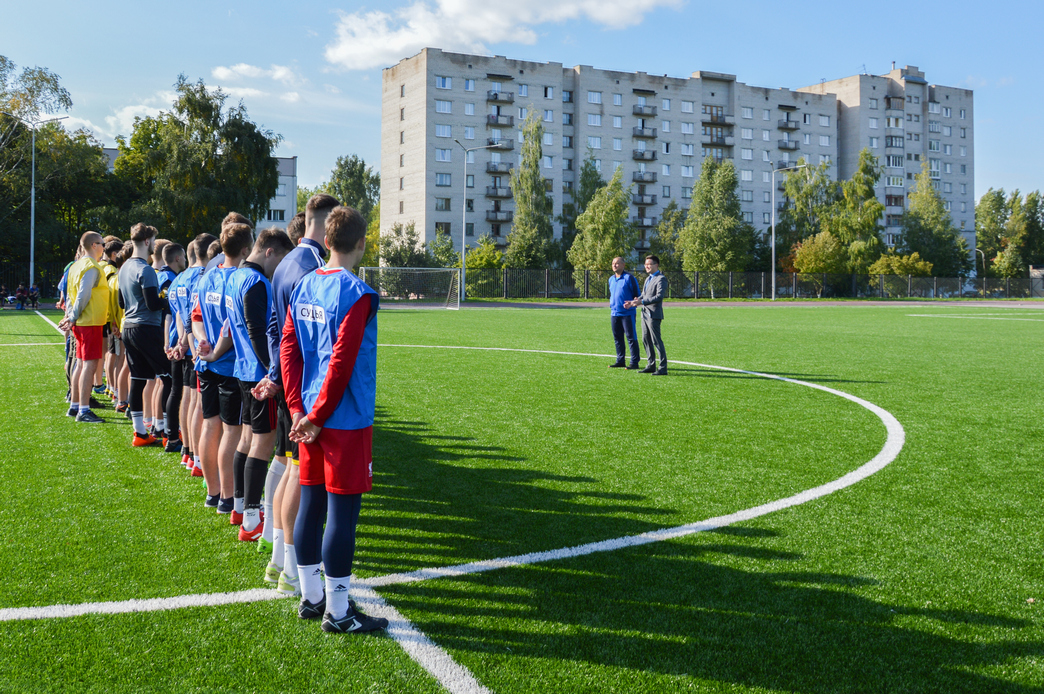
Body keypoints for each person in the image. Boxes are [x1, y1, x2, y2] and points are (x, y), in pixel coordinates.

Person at [281, 204, 387, 633]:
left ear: (326, 241)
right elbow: (341, 362)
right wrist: (317, 415)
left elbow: (288, 347)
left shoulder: (304, 285)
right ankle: (339, 612)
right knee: (342, 514)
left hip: (307, 416)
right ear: (361, 243)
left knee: (311, 504)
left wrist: (297, 409)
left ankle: (311, 597)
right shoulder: (357, 292)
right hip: (343, 419)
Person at [254, 194, 337, 594]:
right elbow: (309, 337)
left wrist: (276, 374)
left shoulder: (286, 263)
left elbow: (276, 329)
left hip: (290, 383)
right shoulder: (312, 268)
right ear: (326, 222)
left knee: (289, 467)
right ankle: (290, 567)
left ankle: (279, 560)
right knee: (300, 473)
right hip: (304, 389)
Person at [211, 228, 294, 541]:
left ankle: (238, 508)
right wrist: (273, 371)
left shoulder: (234, 276)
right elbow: (256, 331)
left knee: (246, 439)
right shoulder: (257, 281)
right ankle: (249, 520)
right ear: (269, 251)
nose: (280, 269)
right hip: (258, 373)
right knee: (262, 442)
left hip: (242, 369)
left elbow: (233, 328)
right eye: (281, 260)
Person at [192, 221, 254, 515]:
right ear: (246, 249)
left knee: (209, 425)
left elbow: (195, 318)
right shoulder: (239, 279)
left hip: (206, 364)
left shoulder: (207, 277)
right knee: (231, 432)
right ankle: (228, 498)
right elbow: (231, 328)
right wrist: (215, 351)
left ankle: (212, 492)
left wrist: (203, 342)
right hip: (228, 366)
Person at [118, 223, 172, 446]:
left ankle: (140, 432)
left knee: (138, 379)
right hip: (146, 328)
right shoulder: (146, 269)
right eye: (154, 241)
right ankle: (168, 430)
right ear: (148, 241)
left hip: (129, 327)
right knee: (169, 377)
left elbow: (121, 302)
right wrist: (168, 299)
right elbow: (152, 304)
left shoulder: (124, 268)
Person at [58, 232, 111, 423]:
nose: (104, 247)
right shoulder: (91, 266)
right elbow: (83, 294)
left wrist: (71, 316)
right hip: (90, 321)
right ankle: (83, 409)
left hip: (83, 321)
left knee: (80, 363)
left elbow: (71, 295)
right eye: (102, 243)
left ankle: (75, 405)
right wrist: (72, 316)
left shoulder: (76, 265)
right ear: (94, 245)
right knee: (89, 364)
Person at [625, 254, 668, 375]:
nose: (647, 266)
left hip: (654, 314)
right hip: (644, 314)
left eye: (649, 264)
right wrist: (633, 302)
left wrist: (642, 302)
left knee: (656, 341)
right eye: (646, 264)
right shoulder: (648, 278)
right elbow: (644, 295)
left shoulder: (661, 279)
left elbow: (658, 297)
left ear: (656, 265)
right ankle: (651, 365)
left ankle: (663, 367)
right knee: (645, 339)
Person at [607, 257, 640, 369]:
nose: (614, 265)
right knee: (617, 338)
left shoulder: (629, 278)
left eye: (617, 263)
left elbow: (637, 295)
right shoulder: (611, 279)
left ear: (623, 265)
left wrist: (633, 303)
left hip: (627, 313)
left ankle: (634, 362)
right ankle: (620, 360)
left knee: (631, 337)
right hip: (614, 313)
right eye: (613, 263)